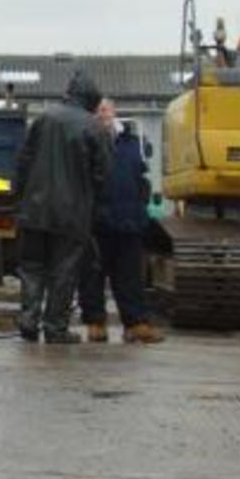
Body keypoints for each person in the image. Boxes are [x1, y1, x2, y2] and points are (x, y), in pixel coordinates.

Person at [11, 69, 107, 344]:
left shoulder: (43, 119)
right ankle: (55, 327)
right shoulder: (94, 127)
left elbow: (23, 162)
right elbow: (102, 174)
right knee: (63, 271)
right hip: (72, 215)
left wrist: (19, 201)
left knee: (32, 267)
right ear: (90, 99)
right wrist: (92, 206)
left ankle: (28, 322)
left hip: (34, 211)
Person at [79, 100, 164, 343]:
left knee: (130, 277)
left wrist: (140, 209)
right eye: (96, 111)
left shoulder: (133, 144)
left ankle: (135, 324)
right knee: (92, 276)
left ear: (114, 112)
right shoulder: (86, 144)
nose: (101, 114)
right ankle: (96, 323)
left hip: (129, 221)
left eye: (105, 109)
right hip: (96, 222)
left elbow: (142, 179)